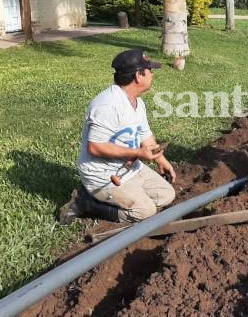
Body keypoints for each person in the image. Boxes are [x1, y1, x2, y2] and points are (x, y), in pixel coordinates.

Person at [60, 49, 176, 224]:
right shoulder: (108, 105)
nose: (152, 74)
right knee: (145, 212)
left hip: (129, 169)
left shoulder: (138, 102)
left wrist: (161, 160)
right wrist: (138, 153)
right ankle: (84, 203)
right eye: (150, 70)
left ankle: (126, 196)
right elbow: (95, 147)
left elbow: (145, 135)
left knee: (167, 195)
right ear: (138, 76)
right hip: (103, 175)